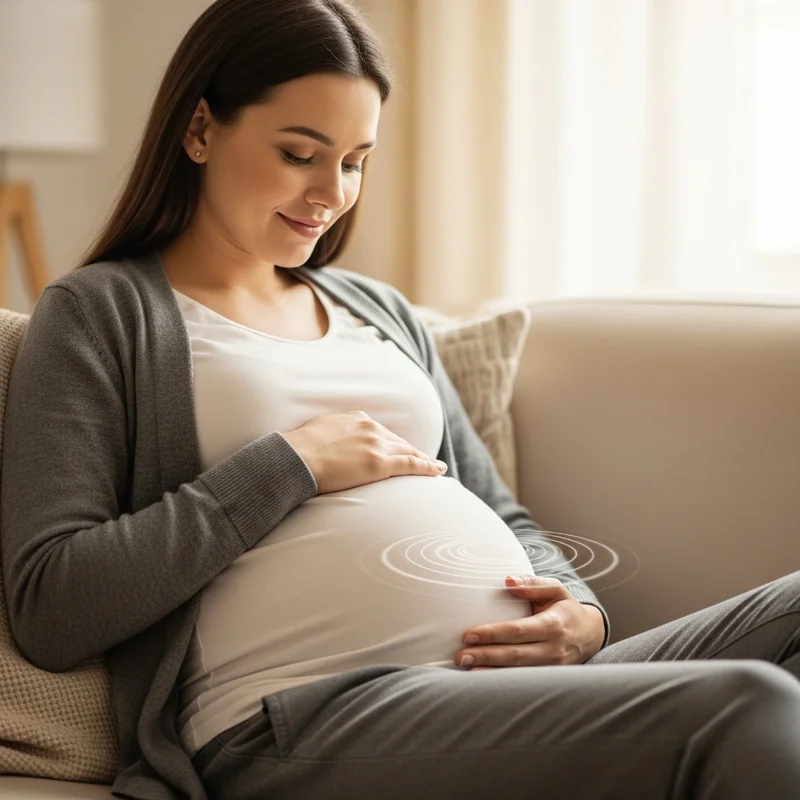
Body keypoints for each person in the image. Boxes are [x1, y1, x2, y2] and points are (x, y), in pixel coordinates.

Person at [2, 0, 800, 797]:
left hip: (507, 695)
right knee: (746, 704)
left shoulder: (377, 310)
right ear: (201, 128)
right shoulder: (101, 312)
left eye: (354, 162)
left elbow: (505, 516)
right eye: (299, 153)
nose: (331, 193)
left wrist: (584, 615)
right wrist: (290, 465)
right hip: (300, 718)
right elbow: (52, 606)